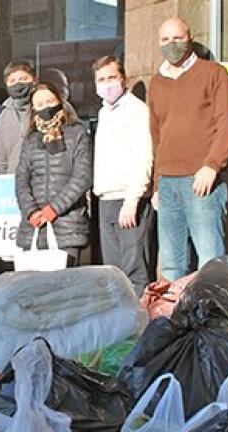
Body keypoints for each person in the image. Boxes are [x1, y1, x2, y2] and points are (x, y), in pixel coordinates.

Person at [149, 17, 228, 281]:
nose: (171, 44)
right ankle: (170, 317)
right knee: (169, 264)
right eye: (165, 40)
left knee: (210, 261)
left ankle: (211, 317)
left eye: (177, 38)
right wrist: (157, 184)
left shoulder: (213, 73)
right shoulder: (156, 83)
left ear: (189, 38)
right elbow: (156, 135)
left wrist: (212, 165)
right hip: (167, 183)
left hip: (201, 180)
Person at [91, 55, 154, 296]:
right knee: (114, 271)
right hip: (107, 198)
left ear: (123, 79)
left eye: (112, 77)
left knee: (134, 267)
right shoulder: (104, 112)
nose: (107, 84)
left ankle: (138, 324)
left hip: (129, 199)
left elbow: (143, 155)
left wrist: (133, 199)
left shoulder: (137, 111)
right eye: (101, 79)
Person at [14, 82, 92, 264]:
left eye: (49, 101)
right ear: (33, 109)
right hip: (34, 226)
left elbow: (82, 176)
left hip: (68, 226)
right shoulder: (31, 140)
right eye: (40, 104)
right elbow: (21, 179)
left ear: (59, 101)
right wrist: (31, 211)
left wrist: (54, 209)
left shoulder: (77, 134)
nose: (45, 107)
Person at [0, 61, 36, 175]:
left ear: (35, 80)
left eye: (23, 79)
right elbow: (0, 157)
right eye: (12, 81)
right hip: (13, 182)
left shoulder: (48, 105)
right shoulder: (3, 116)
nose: (18, 84)